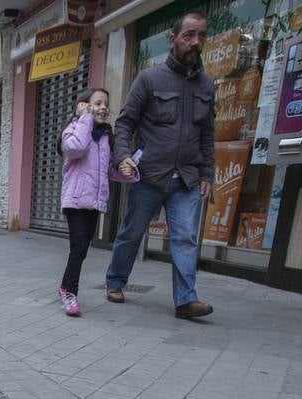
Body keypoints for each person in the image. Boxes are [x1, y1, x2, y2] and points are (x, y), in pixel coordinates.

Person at [104, 9, 216, 319]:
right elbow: (125, 123)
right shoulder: (149, 78)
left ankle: (185, 300)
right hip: (150, 175)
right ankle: (115, 280)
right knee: (132, 232)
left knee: (184, 238)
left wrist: (208, 173)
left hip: (188, 178)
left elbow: (207, 133)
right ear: (173, 39)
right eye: (189, 35)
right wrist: (123, 156)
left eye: (201, 36)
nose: (195, 42)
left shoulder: (207, 85)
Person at [57, 87, 128, 317]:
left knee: (83, 249)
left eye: (105, 104)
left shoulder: (106, 136)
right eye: (97, 103)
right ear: (84, 105)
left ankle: (64, 285)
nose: (103, 108)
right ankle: (70, 293)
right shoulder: (73, 130)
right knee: (77, 247)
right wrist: (85, 118)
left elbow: (107, 170)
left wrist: (126, 171)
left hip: (94, 203)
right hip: (75, 200)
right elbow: (75, 149)